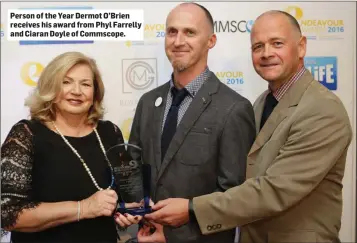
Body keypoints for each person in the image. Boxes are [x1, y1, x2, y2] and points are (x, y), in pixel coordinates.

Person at [142, 10, 353, 243]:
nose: (267, 53)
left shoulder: (322, 110)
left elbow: (273, 190)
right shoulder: (262, 103)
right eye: (258, 47)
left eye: (277, 43)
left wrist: (191, 209)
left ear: (301, 47)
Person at [123, 2, 256, 243]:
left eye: (190, 32)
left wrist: (172, 236)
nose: (178, 40)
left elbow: (234, 197)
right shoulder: (148, 101)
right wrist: (131, 208)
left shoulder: (234, 108)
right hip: (145, 236)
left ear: (211, 41)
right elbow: (133, 172)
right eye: (172, 32)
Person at [0, 51, 140, 242]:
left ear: (95, 92)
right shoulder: (26, 134)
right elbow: (8, 214)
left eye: (86, 84)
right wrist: (83, 208)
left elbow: (122, 194)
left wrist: (125, 211)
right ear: (51, 87)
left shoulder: (110, 133)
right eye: (66, 82)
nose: (76, 91)